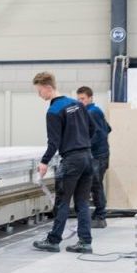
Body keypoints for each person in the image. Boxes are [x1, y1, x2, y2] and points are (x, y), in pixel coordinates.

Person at [32, 72, 95, 253]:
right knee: (82, 202)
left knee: (62, 201)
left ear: (48, 88)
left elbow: (53, 142)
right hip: (87, 157)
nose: (39, 95)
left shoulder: (53, 111)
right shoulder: (77, 104)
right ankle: (85, 242)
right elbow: (92, 128)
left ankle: (53, 241)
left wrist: (44, 162)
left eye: (39, 91)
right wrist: (82, 143)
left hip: (72, 160)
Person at [78, 86, 113, 229]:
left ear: (90, 98)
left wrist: (84, 146)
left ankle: (100, 216)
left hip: (97, 156)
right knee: (95, 184)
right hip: (100, 154)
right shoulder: (95, 111)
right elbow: (108, 128)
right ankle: (99, 214)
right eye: (79, 99)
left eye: (83, 99)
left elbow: (99, 134)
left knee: (96, 185)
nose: (80, 102)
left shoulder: (91, 112)